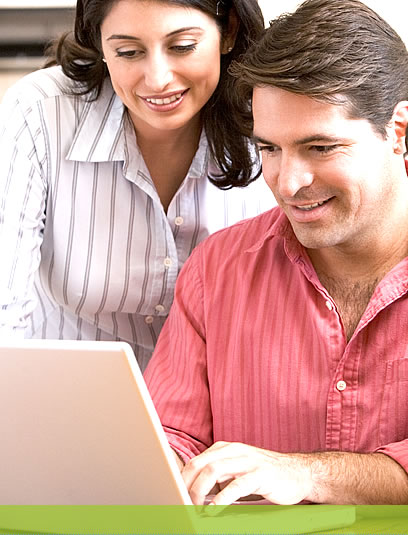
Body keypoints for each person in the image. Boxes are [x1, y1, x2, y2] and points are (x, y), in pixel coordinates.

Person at [144, 0, 408, 505]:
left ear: (398, 131)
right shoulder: (217, 270)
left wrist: (309, 475)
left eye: (321, 148)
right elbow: (173, 437)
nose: (289, 183)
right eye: (269, 148)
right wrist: (165, 469)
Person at [0, 0, 275, 371]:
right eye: (128, 52)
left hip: (211, 413)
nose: (157, 78)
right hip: (62, 401)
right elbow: (5, 305)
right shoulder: (40, 113)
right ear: (100, 44)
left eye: (182, 47)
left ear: (229, 31)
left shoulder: (270, 120)